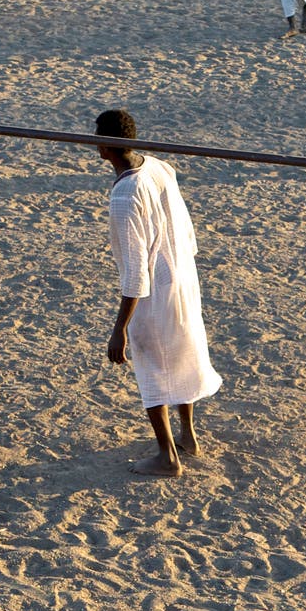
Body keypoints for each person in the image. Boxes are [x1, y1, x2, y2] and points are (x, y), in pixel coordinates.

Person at [95, 108, 219, 478]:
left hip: (156, 292)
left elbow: (135, 272)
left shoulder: (124, 197)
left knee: (152, 369)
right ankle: (188, 436)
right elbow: (185, 227)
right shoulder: (159, 166)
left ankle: (168, 456)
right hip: (182, 274)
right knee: (179, 355)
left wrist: (120, 327)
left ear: (105, 146)